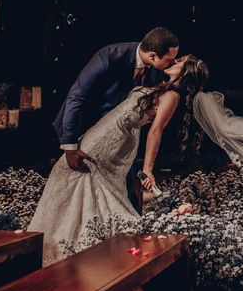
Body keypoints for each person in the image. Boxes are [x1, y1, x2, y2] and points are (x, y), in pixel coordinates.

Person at [29, 54, 209, 265]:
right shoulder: (160, 85)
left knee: (80, 176)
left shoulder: (172, 97)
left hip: (114, 142)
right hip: (103, 132)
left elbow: (155, 132)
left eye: (179, 62)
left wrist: (148, 168)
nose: (174, 61)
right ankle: (58, 242)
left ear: (184, 74)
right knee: (72, 177)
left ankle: (85, 247)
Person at [52, 27, 179, 210]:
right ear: (152, 56)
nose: (173, 64)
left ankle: (128, 231)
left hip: (124, 142)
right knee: (81, 193)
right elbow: (76, 97)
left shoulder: (159, 72)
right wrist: (70, 147)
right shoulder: (109, 57)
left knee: (124, 196)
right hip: (88, 134)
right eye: (170, 60)